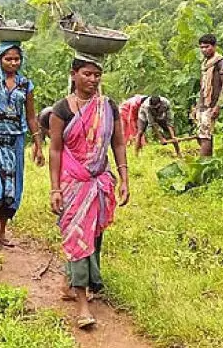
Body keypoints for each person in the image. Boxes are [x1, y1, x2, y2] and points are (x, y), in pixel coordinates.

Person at [49, 55, 130, 329]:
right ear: (74, 74)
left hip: (99, 182)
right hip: (73, 183)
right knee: (78, 238)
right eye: (87, 74)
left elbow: (118, 143)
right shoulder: (61, 109)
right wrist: (54, 189)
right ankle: (83, 304)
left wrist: (124, 178)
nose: (92, 80)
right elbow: (55, 150)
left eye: (97, 75)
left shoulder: (108, 107)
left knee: (93, 237)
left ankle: (74, 281)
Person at [0, 23, 45, 250]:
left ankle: (3, 232)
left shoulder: (26, 85)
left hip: (14, 140)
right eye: (8, 59)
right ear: (0, 59)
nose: (13, 63)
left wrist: (38, 145)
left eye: (16, 59)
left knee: (11, 186)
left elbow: (31, 117)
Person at [195, 33, 223, 157]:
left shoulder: (221, 62)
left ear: (214, 46)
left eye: (207, 47)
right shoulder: (205, 64)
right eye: (202, 47)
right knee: (202, 136)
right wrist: (197, 106)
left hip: (212, 104)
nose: (204, 50)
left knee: (205, 137)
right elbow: (203, 87)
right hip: (203, 104)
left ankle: (202, 163)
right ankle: (208, 161)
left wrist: (218, 105)